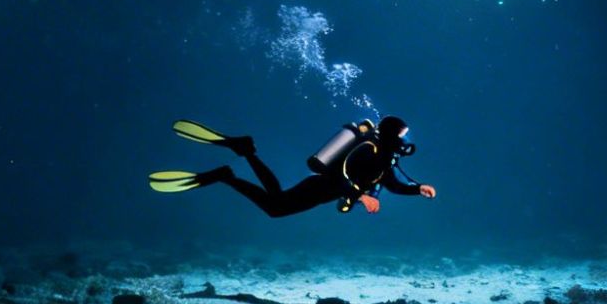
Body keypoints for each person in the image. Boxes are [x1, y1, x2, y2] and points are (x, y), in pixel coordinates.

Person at [150, 116, 436, 217]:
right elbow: (340, 173)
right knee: (276, 206)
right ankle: (235, 164)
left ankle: (239, 159)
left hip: (323, 192)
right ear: (389, 135)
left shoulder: (385, 158)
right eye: (402, 135)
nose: (405, 140)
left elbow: (394, 184)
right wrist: (360, 196)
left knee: (276, 204)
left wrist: (417, 188)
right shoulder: (369, 148)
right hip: (321, 185)